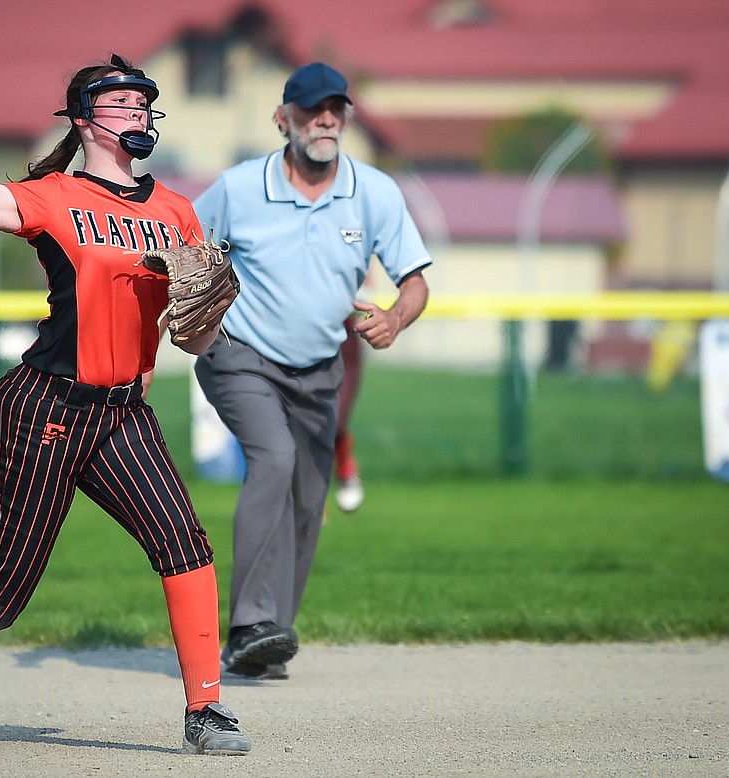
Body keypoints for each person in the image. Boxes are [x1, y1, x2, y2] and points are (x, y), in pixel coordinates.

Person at [0, 54, 251, 756]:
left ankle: (207, 712)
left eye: (143, 102)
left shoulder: (176, 212)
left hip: (124, 413)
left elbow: (194, 338)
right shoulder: (51, 196)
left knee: (185, 543)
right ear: (83, 120)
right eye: (121, 101)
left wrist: (204, 319)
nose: (137, 111)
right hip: (44, 408)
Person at [193, 62, 432, 680]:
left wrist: (396, 319)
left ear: (346, 118)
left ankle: (267, 640)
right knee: (272, 457)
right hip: (239, 354)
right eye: (309, 109)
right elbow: (182, 246)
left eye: (335, 109)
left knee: (307, 499)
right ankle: (248, 621)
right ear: (284, 119)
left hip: (320, 369)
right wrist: (182, 320)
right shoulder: (240, 188)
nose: (324, 119)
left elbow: (415, 282)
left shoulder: (375, 191)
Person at [333, 314, 365, 512]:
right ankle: (305, 504)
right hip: (294, 339)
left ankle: (345, 467)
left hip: (341, 338)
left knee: (333, 420)